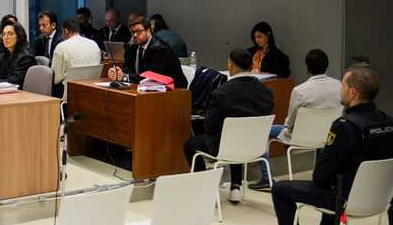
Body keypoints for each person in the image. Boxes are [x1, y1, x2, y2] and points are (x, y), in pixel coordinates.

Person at [267, 65, 393, 225]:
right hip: (377, 200)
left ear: (353, 92)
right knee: (338, 179)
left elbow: (321, 175)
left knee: (281, 189)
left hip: (344, 199)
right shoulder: (387, 122)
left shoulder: (344, 126)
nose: (340, 90)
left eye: (343, 84)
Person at [184, 49, 274, 202]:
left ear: (231, 66)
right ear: (251, 66)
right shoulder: (266, 92)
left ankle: (204, 189)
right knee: (236, 136)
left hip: (226, 147)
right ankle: (235, 186)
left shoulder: (221, 92)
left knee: (191, 145)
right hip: (255, 147)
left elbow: (209, 126)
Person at [251, 49, 342, 190]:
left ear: (307, 66)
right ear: (327, 65)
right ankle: (320, 178)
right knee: (319, 137)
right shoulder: (339, 85)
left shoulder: (300, 90)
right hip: (327, 135)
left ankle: (266, 178)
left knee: (264, 131)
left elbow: (289, 123)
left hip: (300, 136)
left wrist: (287, 130)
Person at [107, 17, 188, 89]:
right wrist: (118, 73)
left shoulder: (160, 49)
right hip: (143, 89)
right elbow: (128, 69)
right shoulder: (133, 47)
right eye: (132, 32)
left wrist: (125, 77)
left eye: (138, 31)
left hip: (174, 91)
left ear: (149, 31)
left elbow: (151, 76)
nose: (135, 35)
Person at [51, 18, 102, 98]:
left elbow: (56, 78)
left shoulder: (61, 47)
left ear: (66, 31)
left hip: (69, 95)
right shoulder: (94, 44)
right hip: (92, 92)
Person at [0, 22, 36, 88]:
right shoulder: (4, 54)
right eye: (3, 34)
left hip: (22, 94)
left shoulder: (26, 57)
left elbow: (14, 80)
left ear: (18, 37)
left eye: (10, 34)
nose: (6, 37)